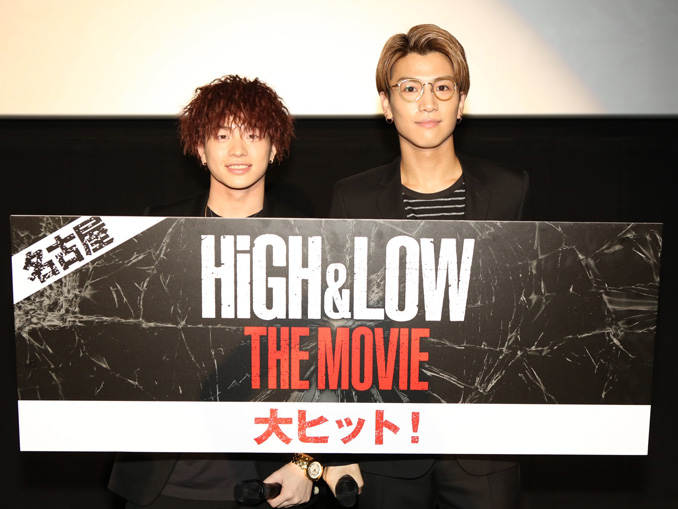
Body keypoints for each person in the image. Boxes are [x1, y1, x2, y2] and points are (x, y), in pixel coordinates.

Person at [329, 24, 530, 509]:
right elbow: (337, 325)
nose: (427, 102)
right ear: (386, 104)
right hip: (386, 442)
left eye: (442, 87)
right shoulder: (353, 198)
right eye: (410, 88)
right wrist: (337, 443)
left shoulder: (509, 190)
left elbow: (528, 306)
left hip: (483, 445)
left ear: (461, 103)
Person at [109, 74, 325, 509]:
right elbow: (121, 344)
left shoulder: (311, 238)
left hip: (268, 481)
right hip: (161, 482)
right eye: (222, 135)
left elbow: (329, 364)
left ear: (275, 148)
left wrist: (306, 462)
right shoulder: (156, 227)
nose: (238, 150)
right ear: (199, 148)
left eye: (253, 134)